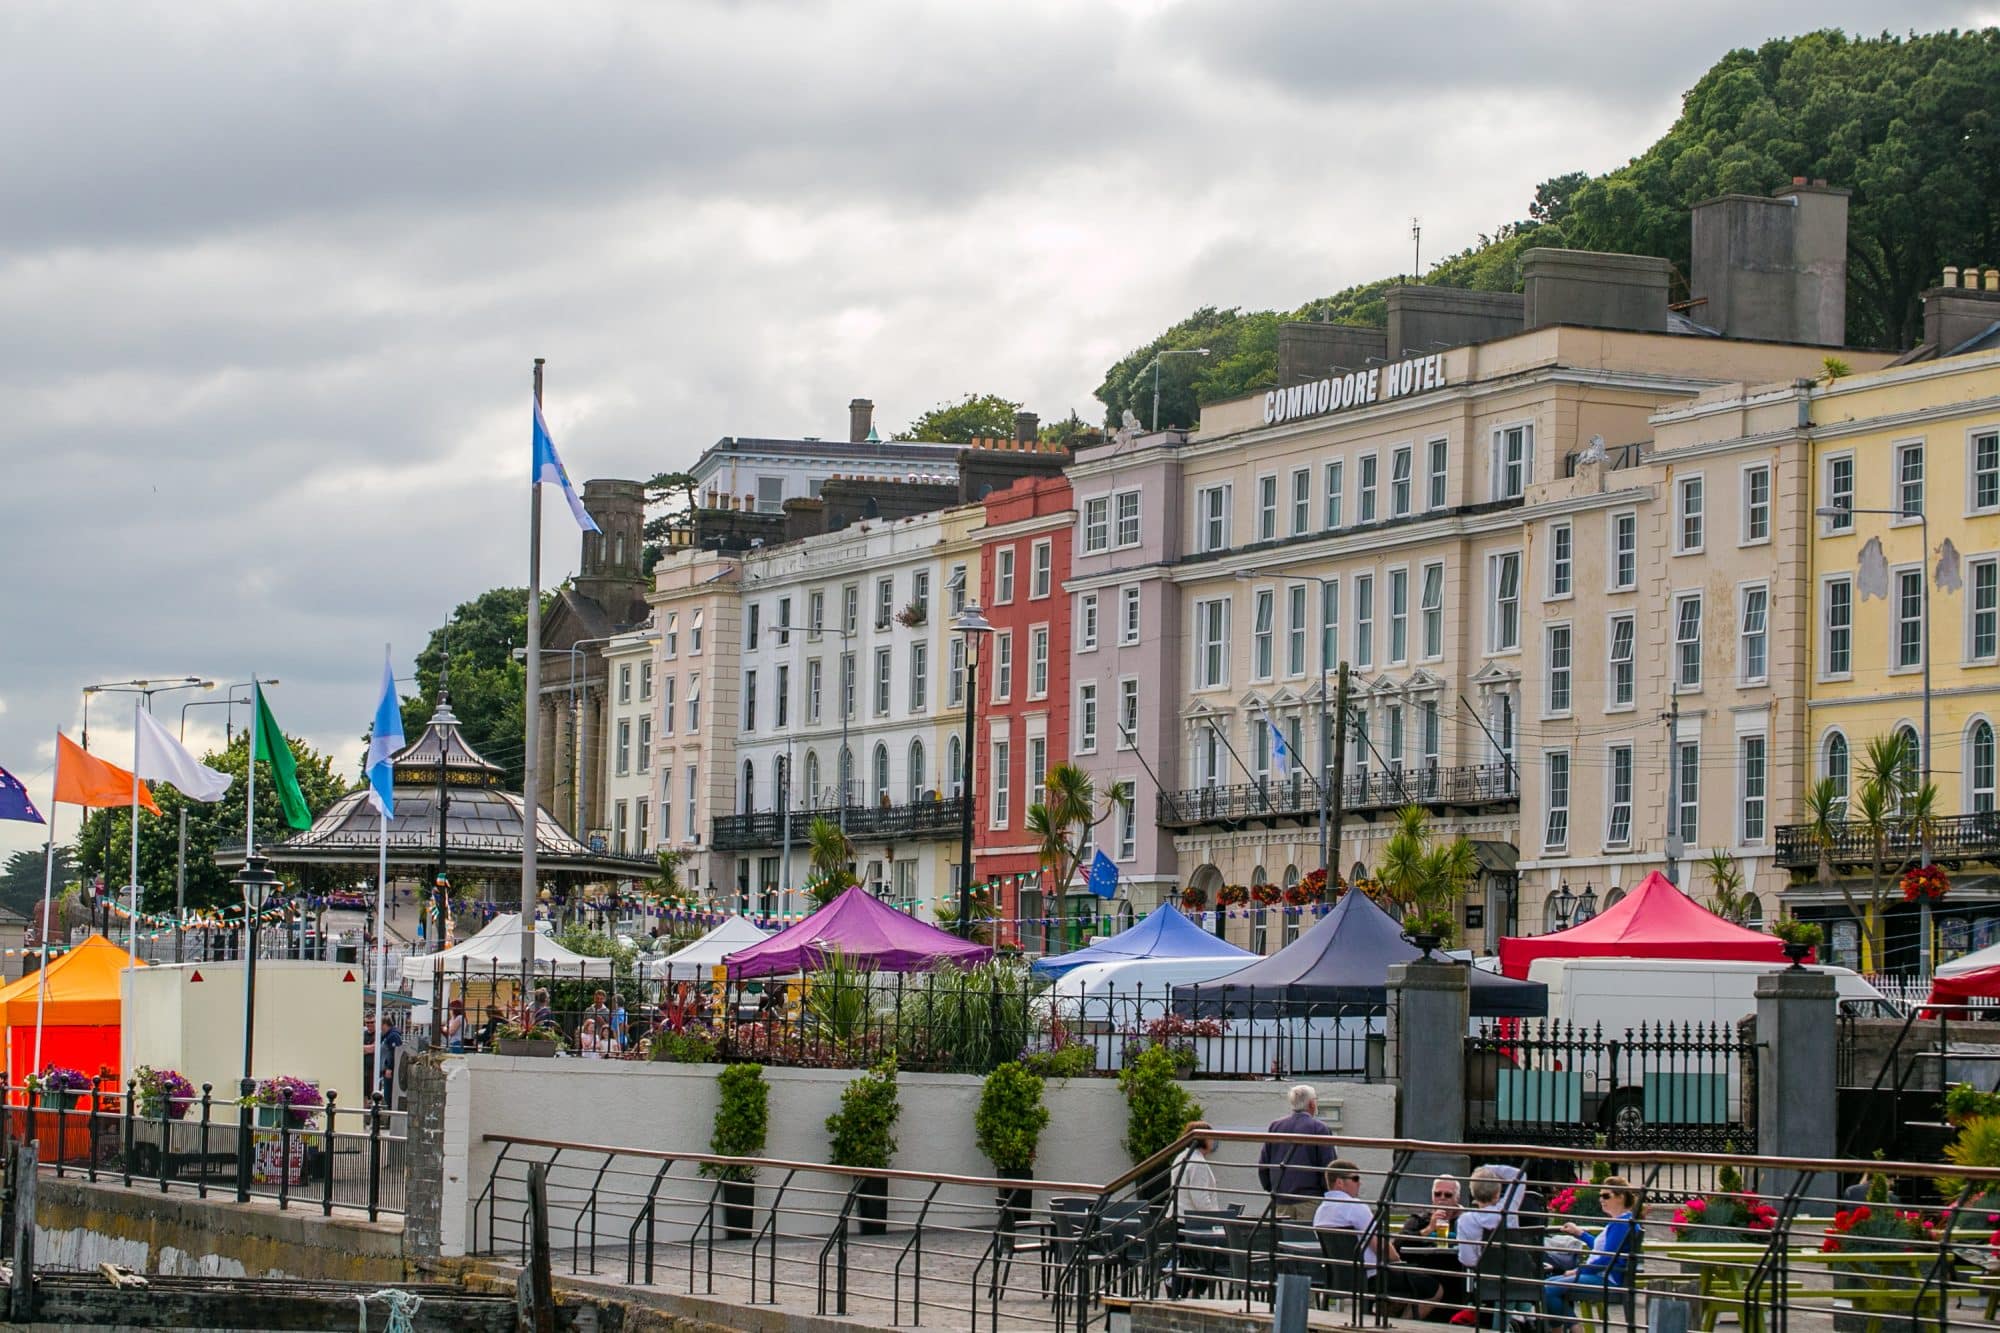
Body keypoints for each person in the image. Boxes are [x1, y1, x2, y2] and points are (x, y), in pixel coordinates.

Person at [1543, 1178, 1638, 1323]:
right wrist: (1580, 1234)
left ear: (1621, 1197)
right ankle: (1564, 1327)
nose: (1601, 1200)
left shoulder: (1621, 1224)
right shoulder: (1622, 1221)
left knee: (1547, 1289)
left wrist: (1578, 1271)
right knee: (1547, 1284)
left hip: (1607, 1279)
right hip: (1603, 1274)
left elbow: (1607, 1258)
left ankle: (1574, 1327)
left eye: (1606, 1196)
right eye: (1600, 1196)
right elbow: (1603, 1249)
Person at [1257, 1084, 1336, 1220]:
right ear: (1312, 1103)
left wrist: (1273, 1188)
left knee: (1282, 1239)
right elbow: (1328, 1166)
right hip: (1310, 1199)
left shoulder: (1276, 1126)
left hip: (1281, 1199)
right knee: (1309, 1240)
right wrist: (1329, 1195)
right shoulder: (1319, 1128)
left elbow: (1264, 1164)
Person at [1454, 1165, 1526, 1269]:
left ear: (1473, 1193)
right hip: (1516, 1276)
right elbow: (1520, 1174)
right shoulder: (1508, 1209)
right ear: (1497, 1194)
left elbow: (1468, 1261)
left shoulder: (1465, 1221)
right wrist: (1487, 1167)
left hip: (1483, 1281)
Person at [1172, 1120, 1220, 1218]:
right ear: (1204, 1139)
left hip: (1180, 1216)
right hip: (1192, 1222)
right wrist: (1217, 1218)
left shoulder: (1181, 1157)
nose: (1212, 1141)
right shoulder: (1198, 1162)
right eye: (1211, 1137)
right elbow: (1200, 1200)